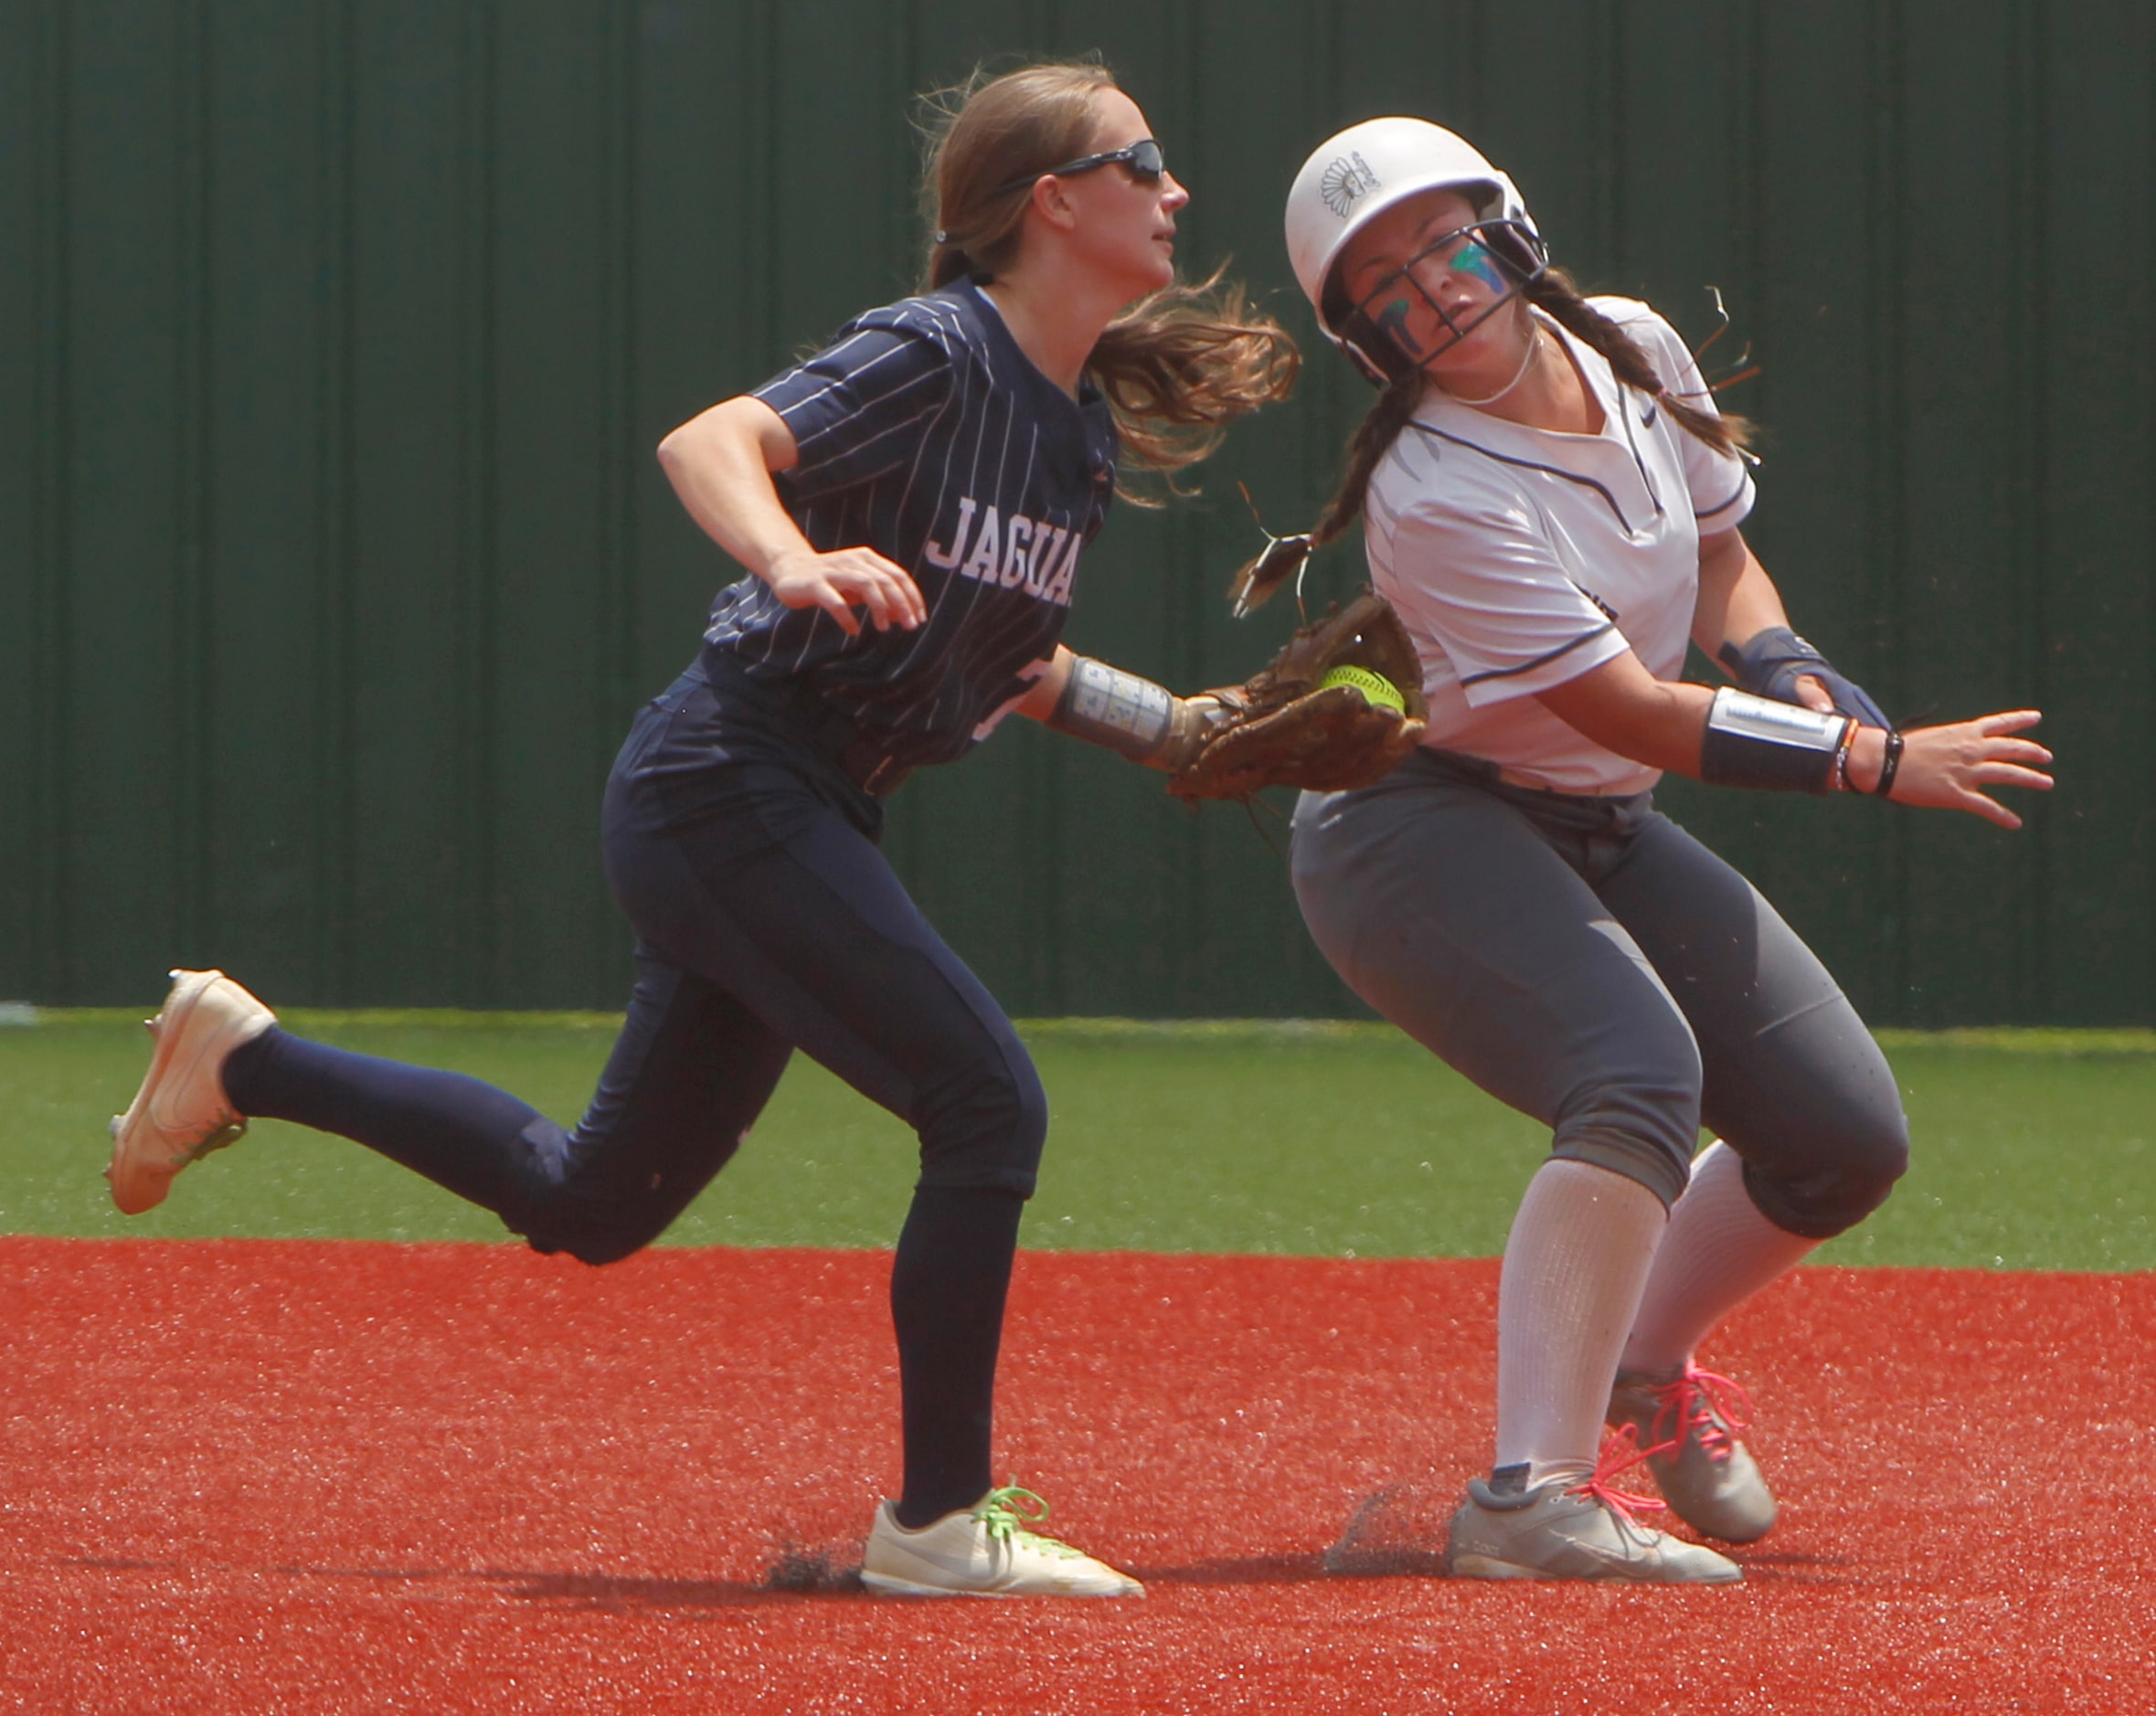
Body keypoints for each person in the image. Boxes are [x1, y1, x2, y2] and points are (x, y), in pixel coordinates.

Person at [106, 60, 1296, 1600]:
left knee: (587, 1203)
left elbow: (1004, 657)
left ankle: (243, 1054)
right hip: (725, 776)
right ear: (1052, 202)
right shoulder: (941, 348)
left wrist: (1181, 728)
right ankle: (938, 1523)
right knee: (985, 1100)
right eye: (1142, 160)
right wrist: (792, 555)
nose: (1173, 188)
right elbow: (709, 441)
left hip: (793, 802)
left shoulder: (1070, 433)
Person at [1279, 119, 2051, 1584]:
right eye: (1380, 281)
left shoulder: (1629, 342)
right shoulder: (1431, 489)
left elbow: (1712, 546)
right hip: (1415, 825)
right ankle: (1526, 1494)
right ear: (1362, 336)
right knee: (1632, 1072)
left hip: (1594, 815)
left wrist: (1782, 654)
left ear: (1507, 222)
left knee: (1840, 1137)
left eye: (1443, 240)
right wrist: (1876, 759)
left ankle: (1641, 1362)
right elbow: (1621, 704)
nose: (1429, 287)